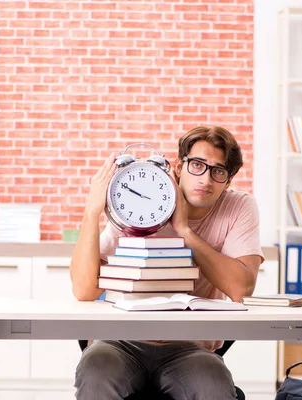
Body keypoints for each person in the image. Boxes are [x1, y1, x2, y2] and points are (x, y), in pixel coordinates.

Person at [69, 125, 265, 400]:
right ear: (178, 167)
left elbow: (241, 288)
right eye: (197, 165)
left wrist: (184, 229)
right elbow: (83, 290)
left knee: (213, 383)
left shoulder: (239, 207)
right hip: (121, 341)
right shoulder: (146, 196)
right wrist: (91, 212)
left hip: (190, 346)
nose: (206, 179)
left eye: (218, 171)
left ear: (228, 181)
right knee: (95, 370)